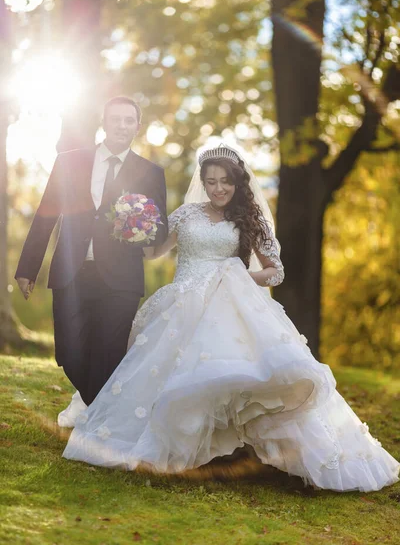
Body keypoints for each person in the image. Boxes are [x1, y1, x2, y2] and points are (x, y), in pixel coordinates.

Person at [63, 144, 399, 492]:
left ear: (238, 182)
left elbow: (275, 272)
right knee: (171, 374)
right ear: (203, 182)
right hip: (182, 305)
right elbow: (154, 252)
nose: (218, 188)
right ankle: (177, 444)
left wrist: (236, 275)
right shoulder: (185, 215)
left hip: (230, 305)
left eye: (225, 181)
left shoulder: (249, 220)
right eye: (210, 182)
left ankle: (279, 454)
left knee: (242, 371)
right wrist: (136, 227)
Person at [15, 96, 168, 415]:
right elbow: (46, 214)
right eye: (115, 119)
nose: (121, 126)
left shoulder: (150, 172)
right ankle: (105, 408)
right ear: (104, 121)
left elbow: (159, 227)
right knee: (69, 352)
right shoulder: (69, 161)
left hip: (121, 278)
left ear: (137, 127)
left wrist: (139, 228)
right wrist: (28, 267)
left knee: (110, 352)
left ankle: (102, 422)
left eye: (129, 121)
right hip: (71, 271)